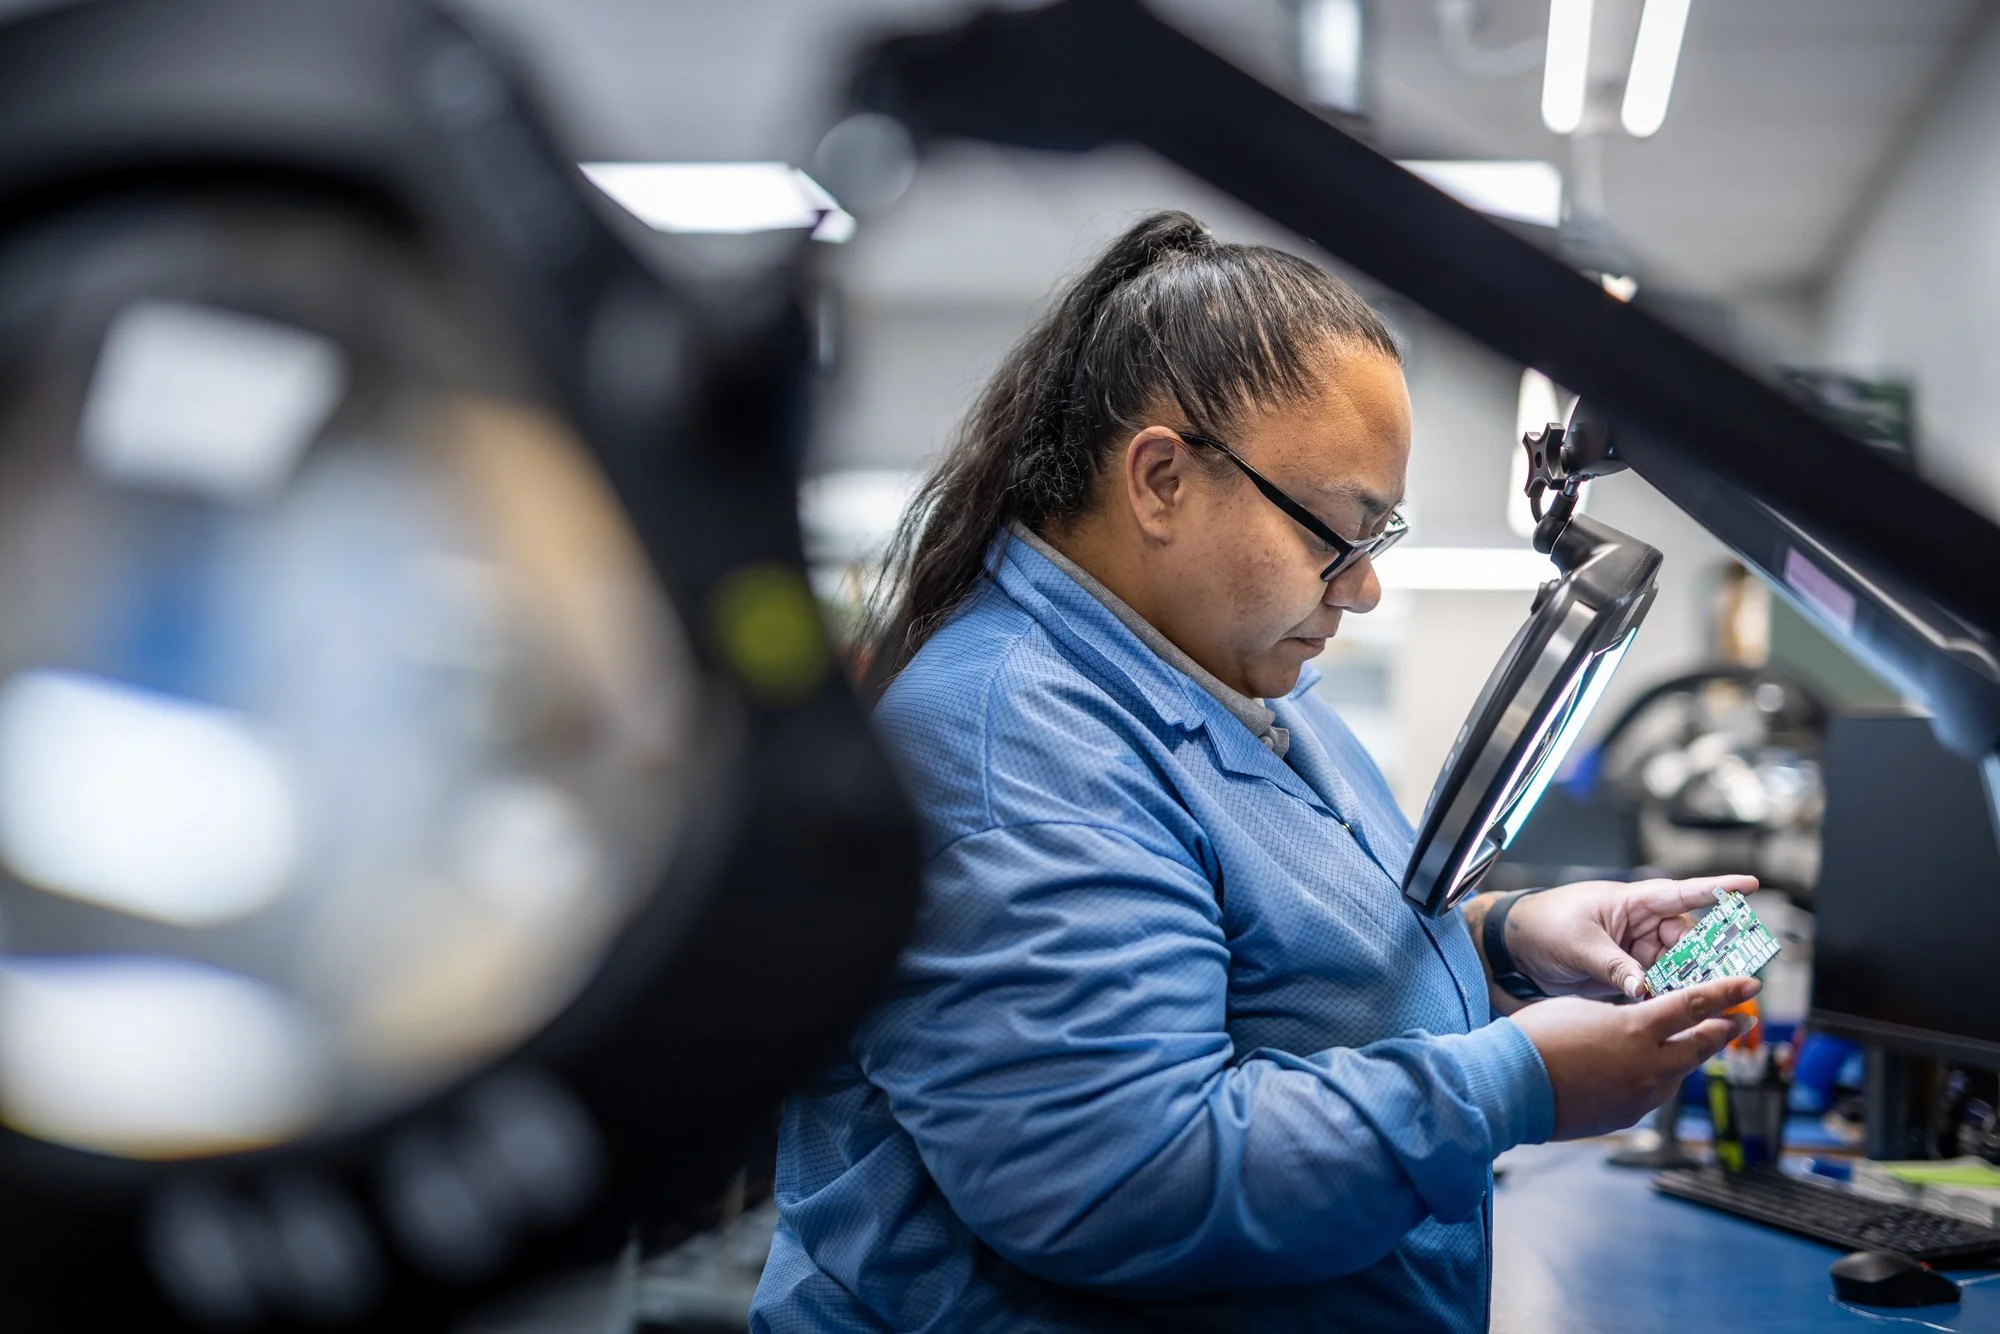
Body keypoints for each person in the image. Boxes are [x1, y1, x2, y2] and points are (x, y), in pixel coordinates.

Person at [749, 211, 1759, 1332]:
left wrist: (1502, 935)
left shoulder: (1236, 680)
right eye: (1339, 531)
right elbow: (1126, 1177)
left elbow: (1281, 954)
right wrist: (1514, 1083)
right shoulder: (1010, 738)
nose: (1362, 587)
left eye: (1379, 540)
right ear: (1162, 479)